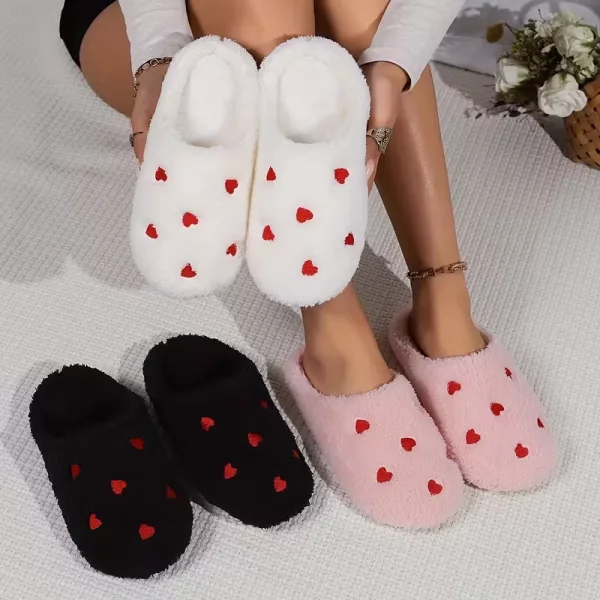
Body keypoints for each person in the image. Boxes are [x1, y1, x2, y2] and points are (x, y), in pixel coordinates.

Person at [59, 0, 477, 398]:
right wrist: (158, 56)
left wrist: (392, 65)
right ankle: (330, 318)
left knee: (367, 11)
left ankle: (443, 299)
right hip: (144, 28)